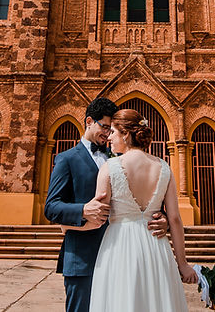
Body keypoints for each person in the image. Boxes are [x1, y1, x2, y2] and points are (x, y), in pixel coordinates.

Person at [44, 97, 169, 312]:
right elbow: (51, 207)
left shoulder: (120, 157)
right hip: (83, 259)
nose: (108, 133)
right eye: (104, 127)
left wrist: (161, 217)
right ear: (89, 121)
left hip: (121, 256)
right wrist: (83, 209)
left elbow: (141, 195)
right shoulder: (67, 159)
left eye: (112, 129)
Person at [89, 108, 197, 312]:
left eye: (113, 132)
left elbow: (97, 216)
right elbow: (174, 219)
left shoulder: (110, 167)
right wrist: (182, 264)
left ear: (126, 134)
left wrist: (68, 226)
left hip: (119, 247)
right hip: (156, 247)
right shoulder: (164, 167)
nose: (109, 138)